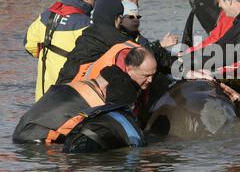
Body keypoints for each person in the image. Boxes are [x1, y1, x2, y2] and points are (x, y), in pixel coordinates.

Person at [13, 47, 157, 144]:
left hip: (22, 130)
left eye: (153, 75)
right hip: (33, 140)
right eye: (146, 75)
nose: (150, 80)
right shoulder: (113, 94)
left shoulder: (99, 78)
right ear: (129, 69)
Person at [24, 0, 98, 101]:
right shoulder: (85, 24)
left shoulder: (46, 16)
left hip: (42, 99)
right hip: (69, 100)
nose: (95, 1)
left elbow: (29, 45)